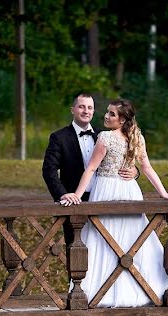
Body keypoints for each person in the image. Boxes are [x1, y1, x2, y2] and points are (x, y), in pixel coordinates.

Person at [63, 98, 168, 307]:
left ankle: (106, 289)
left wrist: (77, 193)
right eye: (108, 112)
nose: (106, 116)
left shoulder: (105, 137)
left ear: (121, 121)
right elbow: (147, 168)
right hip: (127, 190)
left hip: (108, 189)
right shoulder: (135, 137)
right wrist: (163, 193)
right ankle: (120, 287)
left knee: (119, 237)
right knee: (120, 237)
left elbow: (92, 168)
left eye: (112, 114)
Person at [42, 93, 137, 244]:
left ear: (93, 111)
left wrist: (135, 172)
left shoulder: (105, 135)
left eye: (90, 107)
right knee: (75, 247)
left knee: (107, 246)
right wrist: (63, 195)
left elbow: (123, 160)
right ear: (72, 110)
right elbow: (48, 170)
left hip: (102, 196)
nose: (86, 111)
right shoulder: (59, 137)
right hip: (74, 200)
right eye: (81, 107)